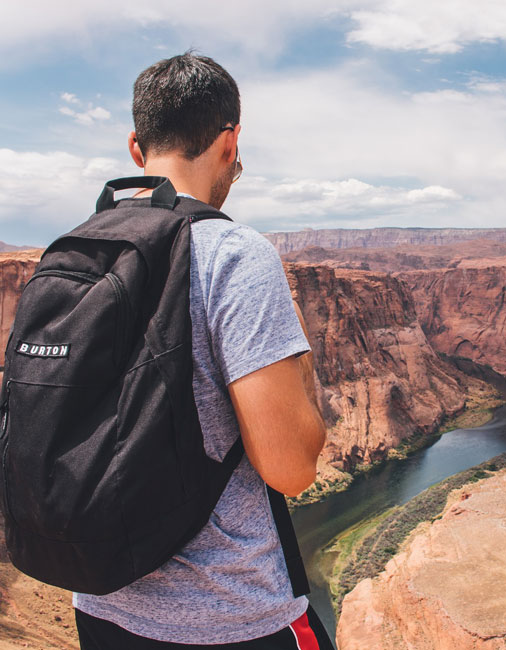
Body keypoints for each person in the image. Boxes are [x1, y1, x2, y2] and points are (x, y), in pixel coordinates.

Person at [72, 53, 333, 649]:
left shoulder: (79, 255)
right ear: (230, 141)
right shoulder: (235, 254)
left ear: (137, 149)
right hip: (230, 618)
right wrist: (301, 364)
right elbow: (292, 470)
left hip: (100, 605)